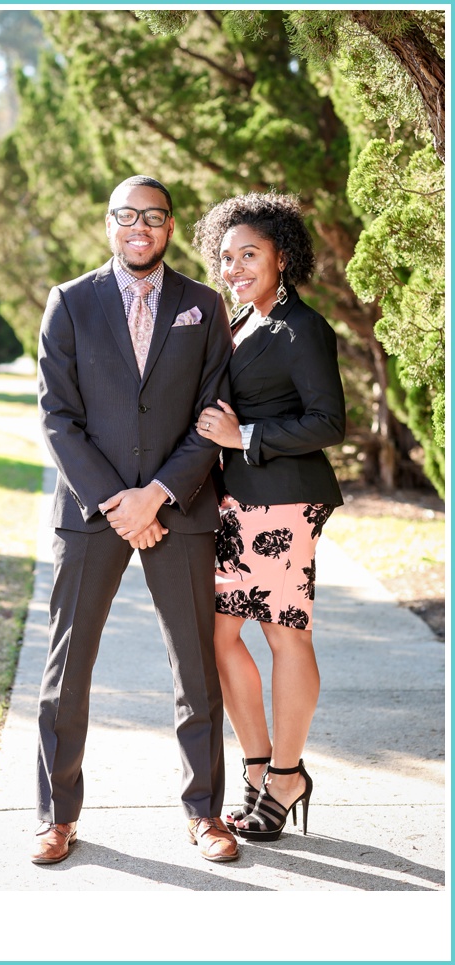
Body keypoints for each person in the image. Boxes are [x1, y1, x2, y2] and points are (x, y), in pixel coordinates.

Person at [34, 175, 238, 865]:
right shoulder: (69, 301)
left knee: (196, 666)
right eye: (127, 215)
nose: (139, 227)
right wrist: (120, 501)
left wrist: (157, 494)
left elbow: (212, 416)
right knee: (69, 664)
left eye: (153, 216)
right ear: (109, 223)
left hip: (177, 510)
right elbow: (57, 417)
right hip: (94, 512)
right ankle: (56, 815)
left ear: (171, 226)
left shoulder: (203, 306)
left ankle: (205, 811)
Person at [192, 193, 345, 842]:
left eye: (249, 255)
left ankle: (286, 774)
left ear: (282, 256)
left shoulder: (299, 328)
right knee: (223, 637)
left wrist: (242, 435)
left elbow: (328, 421)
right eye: (226, 257)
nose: (235, 267)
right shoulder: (242, 321)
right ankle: (258, 767)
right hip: (239, 505)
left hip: (283, 502)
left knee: (285, 636)